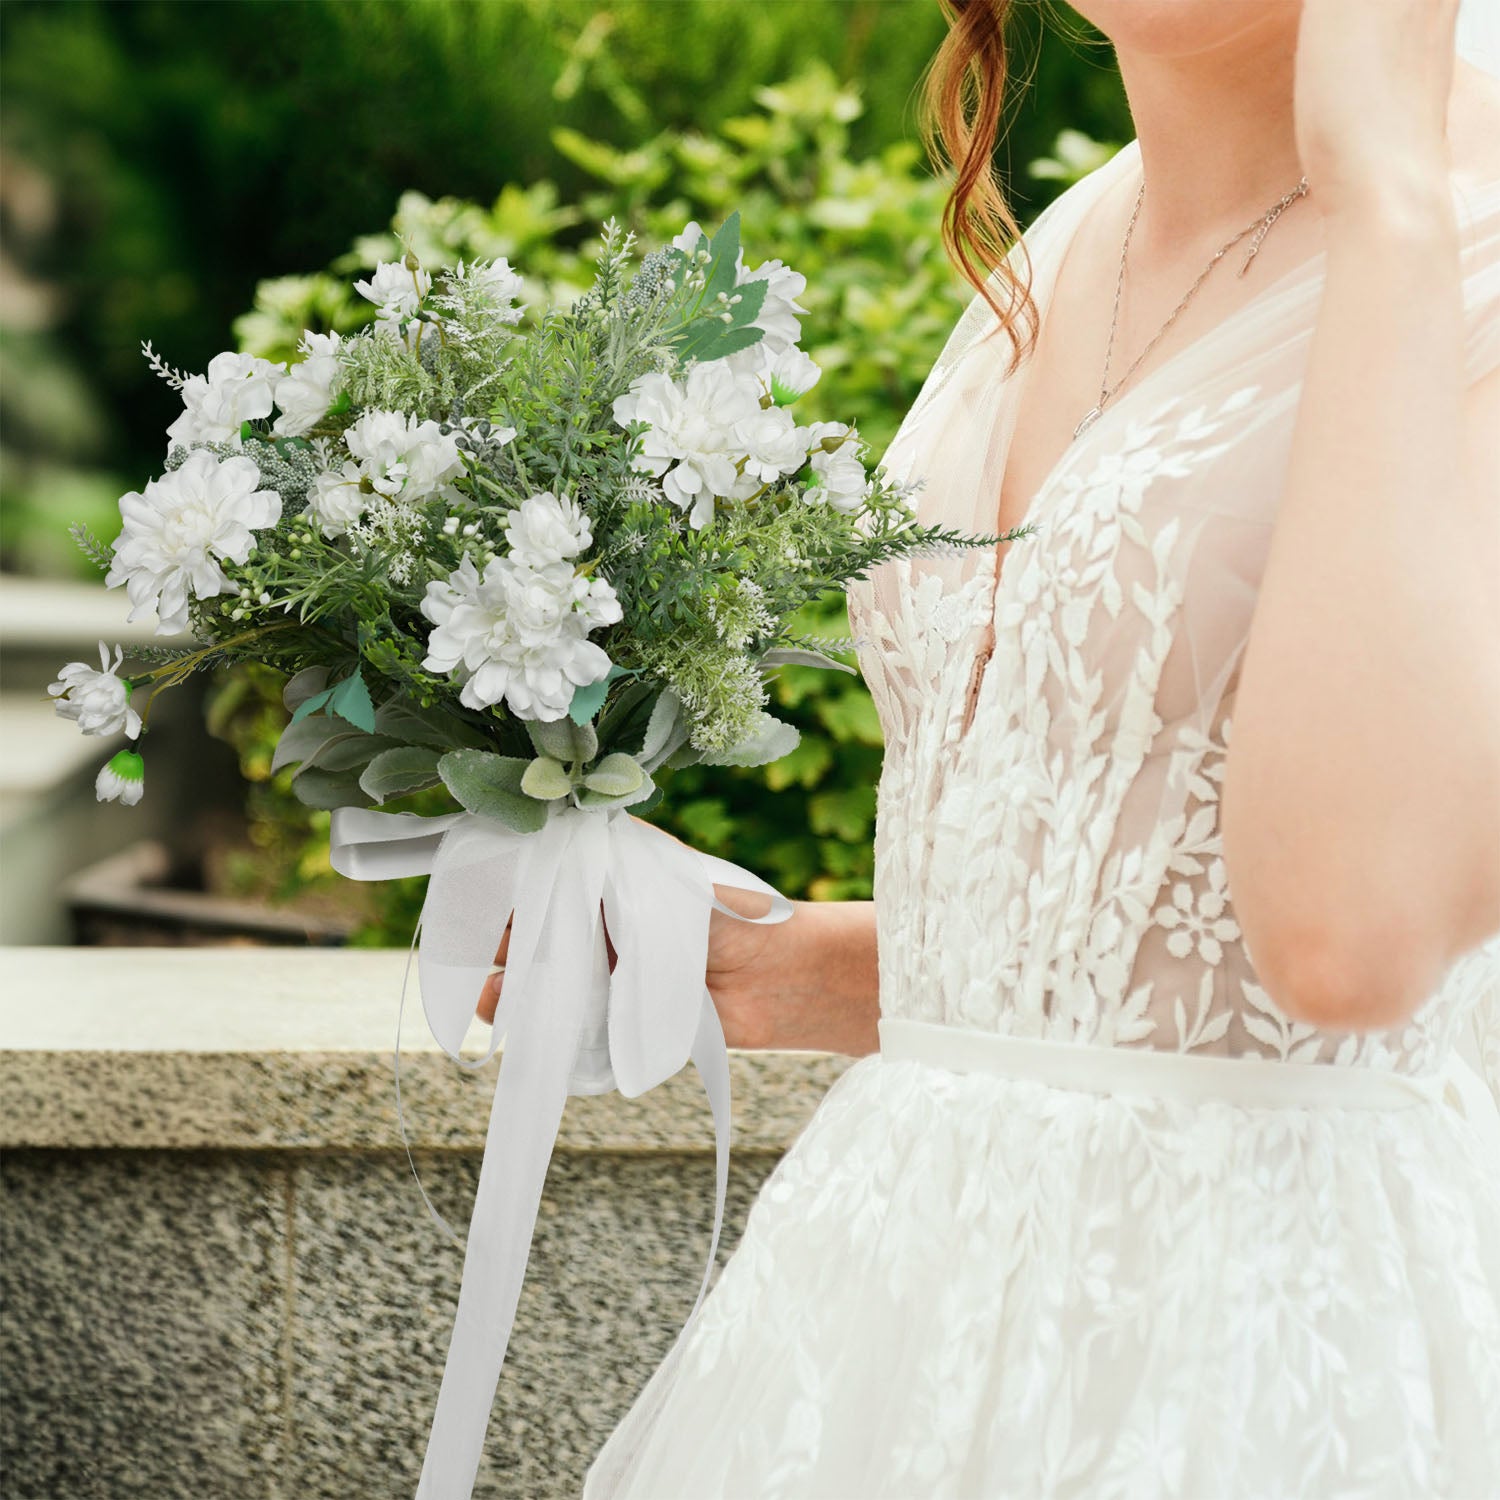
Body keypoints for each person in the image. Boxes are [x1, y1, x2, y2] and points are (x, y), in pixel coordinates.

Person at [493, 2, 1500, 1493]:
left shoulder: (1455, 257)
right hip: (899, 1304)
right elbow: (1133, 921)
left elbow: (1354, 942)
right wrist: (790, 967)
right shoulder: (1074, 240)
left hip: (1258, 1344)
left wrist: (1392, 212)